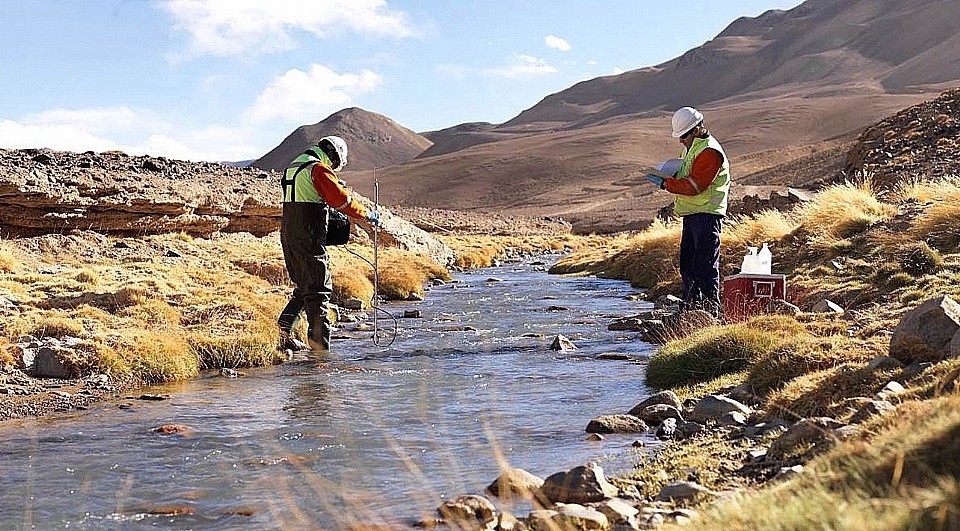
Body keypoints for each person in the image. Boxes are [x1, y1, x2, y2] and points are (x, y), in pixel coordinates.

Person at [278, 135, 381, 352]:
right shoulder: (318, 169)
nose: (334, 167)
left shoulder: (294, 166)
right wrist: (367, 215)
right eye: (335, 163)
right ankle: (320, 354)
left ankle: (281, 335)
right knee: (319, 291)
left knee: (305, 287)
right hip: (308, 237)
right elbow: (342, 201)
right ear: (333, 155)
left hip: (289, 236)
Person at [646, 107, 731, 317]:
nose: (680, 140)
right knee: (689, 265)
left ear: (696, 130)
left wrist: (666, 183)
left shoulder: (710, 151)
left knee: (704, 265)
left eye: (683, 135)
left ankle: (710, 311)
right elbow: (687, 176)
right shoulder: (691, 148)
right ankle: (690, 309)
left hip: (707, 215)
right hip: (693, 214)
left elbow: (695, 186)